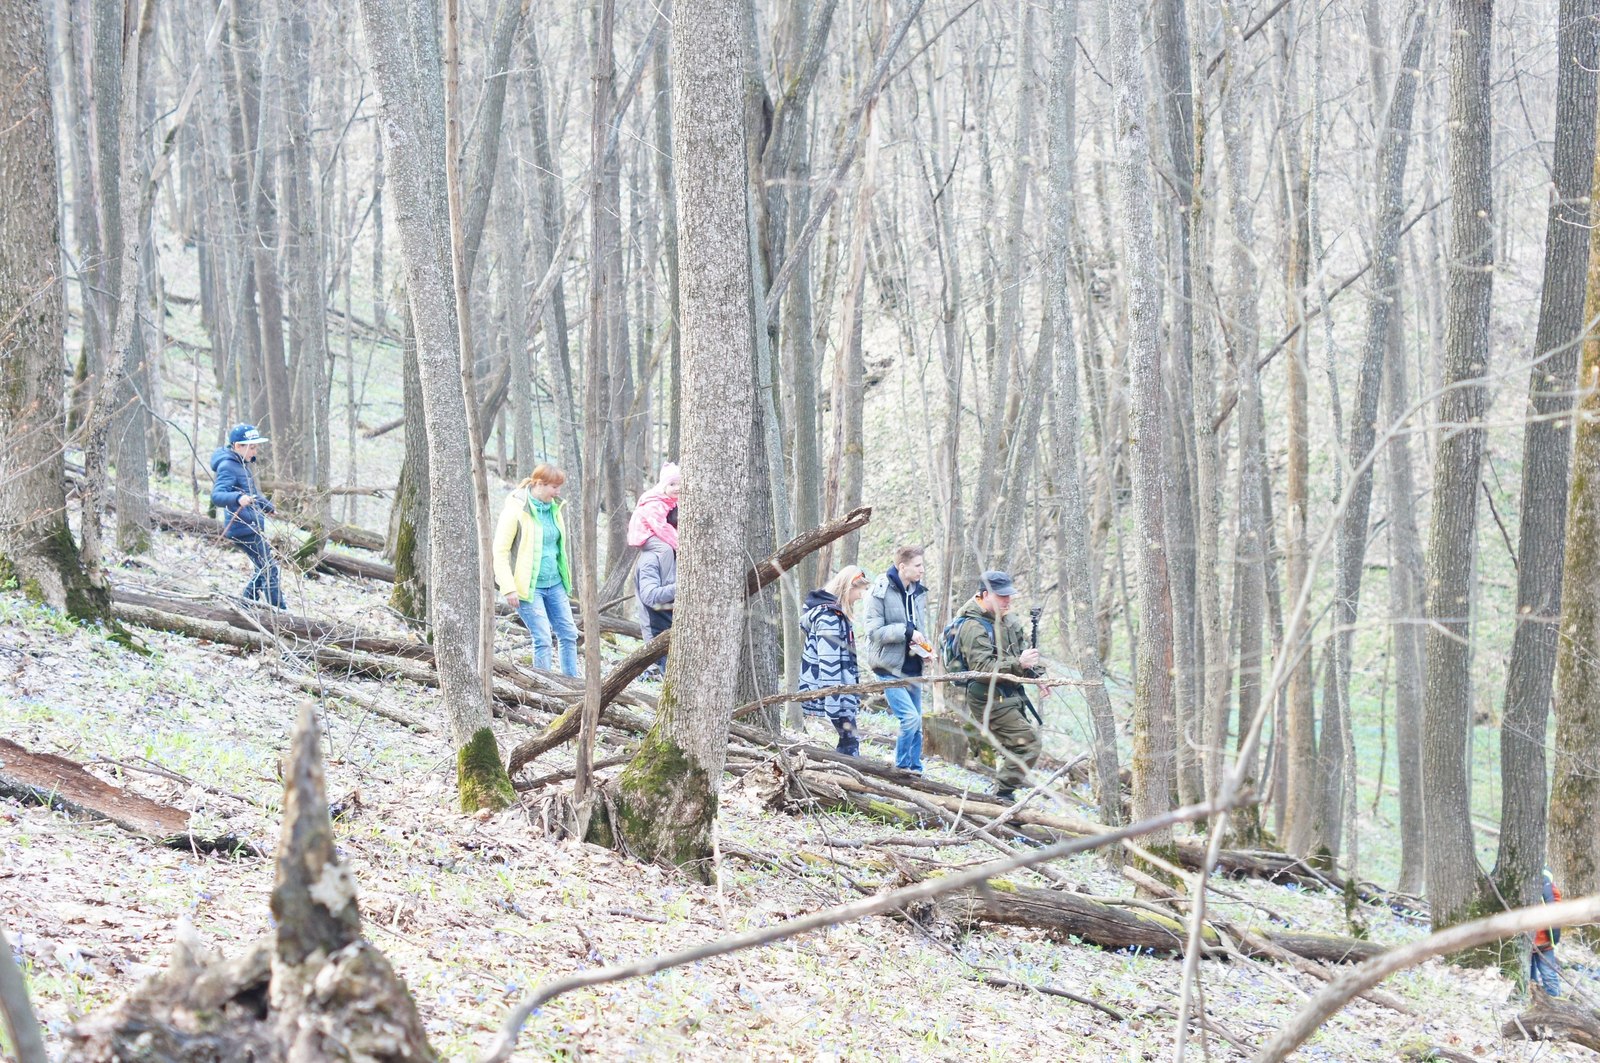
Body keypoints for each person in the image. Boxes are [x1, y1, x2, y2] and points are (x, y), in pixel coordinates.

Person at [949, 569, 1046, 801]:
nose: (1008, 600)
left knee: (1019, 745)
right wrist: (1019, 664)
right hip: (987, 696)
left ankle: (1003, 794)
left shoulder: (1009, 620)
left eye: (1009, 595)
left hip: (1010, 692)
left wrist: (1039, 677)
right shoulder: (972, 626)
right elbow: (982, 669)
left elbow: (1023, 654)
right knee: (1028, 744)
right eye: (1002, 596)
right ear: (984, 595)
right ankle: (1001, 795)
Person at [493, 464, 579, 676]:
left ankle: (572, 684)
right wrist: (508, 587)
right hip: (528, 588)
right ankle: (545, 690)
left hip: (555, 583)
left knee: (569, 634)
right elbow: (500, 551)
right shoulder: (516, 510)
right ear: (539, 484)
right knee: (542, 638)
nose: (558, 492)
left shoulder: (555, 509)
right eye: (554, 487)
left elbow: (557, 549)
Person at [865, 545, 932, 773]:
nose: (922, 570)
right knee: (910, 719)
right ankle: (902, 768)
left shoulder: (917, 592)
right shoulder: (880, 591)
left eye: (922, 565)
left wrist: (926, 650)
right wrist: (906, 631)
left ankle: (915, 769)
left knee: (918, 724)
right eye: (918, 565)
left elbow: (918, 629)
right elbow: (874, 632)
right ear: (902, 567)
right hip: (888, 668)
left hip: (914, 667)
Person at [210, 424, 286, 610]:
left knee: (264, 568)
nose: (255, 450)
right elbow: (217, 496)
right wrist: (237, 498)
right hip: (242, 528)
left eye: (255, 446)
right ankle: (280, 613)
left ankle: (246, 604)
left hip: (251, 525)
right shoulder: (228, 466)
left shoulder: (242, 466)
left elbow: (251, 493)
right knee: (269, 568)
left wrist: (267, 506)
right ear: (237, 446)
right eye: (251, 447)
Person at [800, 566, 871, 756]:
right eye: (859, 591)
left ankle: (844, 771)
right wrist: (834, 700)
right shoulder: (829, 617)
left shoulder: (835, 614)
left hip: (841, 688)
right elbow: (828, 661)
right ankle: (846, 773)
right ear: (848, 587)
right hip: (836, 689)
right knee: (850, 740)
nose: (860, 596)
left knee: (849, 740)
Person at [635, 507, 677, 680]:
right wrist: (682, 587)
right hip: (658, 631)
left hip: (677, 626)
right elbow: (650, 596)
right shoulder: (650, 559)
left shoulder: (676, 554)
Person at [628, 462, 681, 552]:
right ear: (664, 486)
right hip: (645, 534)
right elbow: (661, 526)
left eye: (679, 484)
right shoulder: (655, 503)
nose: (677, 488)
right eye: (672, 484)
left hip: (654, 532)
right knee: (666, 550)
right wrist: (679, 544)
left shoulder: (670, 501)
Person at [1532, 868, 1563, 997]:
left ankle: (1554, 999)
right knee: (1530, 976)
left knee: (1548, 974)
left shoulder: (1549, 891)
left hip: (1544, 942)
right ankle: (1534, 998)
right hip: (1531, 943)